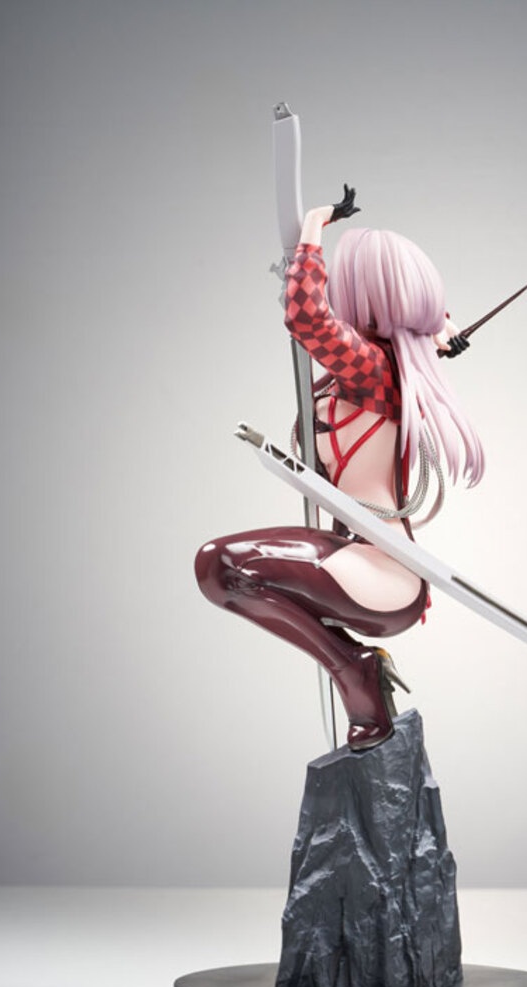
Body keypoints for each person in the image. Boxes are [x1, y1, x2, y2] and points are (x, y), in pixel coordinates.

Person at [195, 188, 484, 751]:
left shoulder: (372, 370)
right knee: (221, 573)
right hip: (359, 558)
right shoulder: (382, 366)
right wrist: (437, 335)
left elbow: (306, 317)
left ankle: (355, 673)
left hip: (382, 569)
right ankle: (354, 670)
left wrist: (312, 228)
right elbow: (403, 334)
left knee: (222, 567)